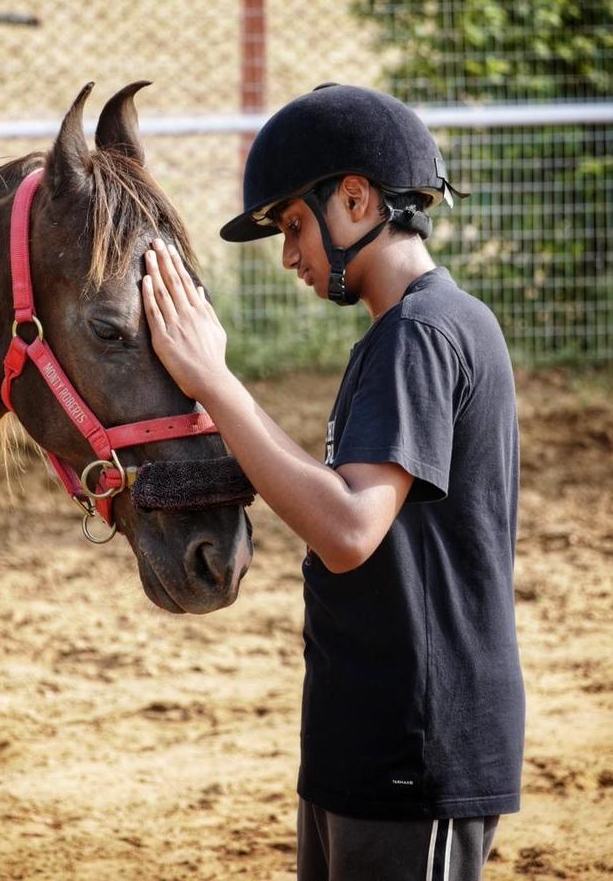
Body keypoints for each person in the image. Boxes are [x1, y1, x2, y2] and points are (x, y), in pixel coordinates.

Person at [141, 83, 524, 881]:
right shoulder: (400, 334)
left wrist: (215, 382)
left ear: (355, 198)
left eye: (292, 224)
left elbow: (349, 528)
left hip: (414, 750)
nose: (287, 256)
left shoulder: (421, 333)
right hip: (367, 740)